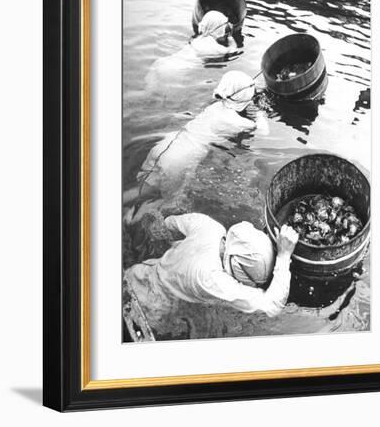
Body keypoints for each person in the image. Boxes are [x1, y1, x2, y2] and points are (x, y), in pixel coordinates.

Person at [123, 70, 269, 214]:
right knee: (170, 202)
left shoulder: (214, 107)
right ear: (245, 97)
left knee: (143, 188)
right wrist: (258, 113)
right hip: (181, 158)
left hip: (167, 144)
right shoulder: (237, 121)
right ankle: (132, 218)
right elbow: (263, 131)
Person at [124, 213, 299, 325]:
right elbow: (272, 307)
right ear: (235, 266)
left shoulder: (208, 225)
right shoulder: (212, 278)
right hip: (149, 308)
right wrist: (284, 257)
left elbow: (167, 225)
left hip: (139, 272)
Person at [145, 10, 237, 94]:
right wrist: (230, 37)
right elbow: (233, 50)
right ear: (218, 28)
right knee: (167, 101)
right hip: (176, 71)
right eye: (224, 25)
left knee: (149, 93)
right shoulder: (214, 47)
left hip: (162, 63)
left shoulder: (198, 39)